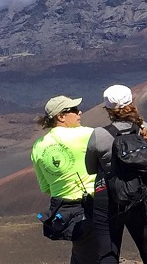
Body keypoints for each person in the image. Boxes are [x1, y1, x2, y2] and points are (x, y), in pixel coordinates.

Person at [85, 85, 147, 264]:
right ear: (132, 102)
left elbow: (90, 168)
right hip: (139, 194)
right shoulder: (145, 129)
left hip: (108, 197)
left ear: (108, 109)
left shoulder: (99, 135)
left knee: (108, 252)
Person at [31, 95, 97, 263]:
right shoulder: (87, 134)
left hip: (62, 210)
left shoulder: (38, 146)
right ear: (60, 117)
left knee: (81, 252)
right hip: (92, 206)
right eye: (73, 110)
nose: (79, 112)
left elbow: (45, 187)